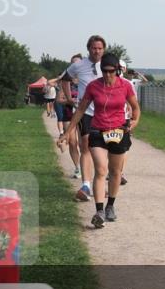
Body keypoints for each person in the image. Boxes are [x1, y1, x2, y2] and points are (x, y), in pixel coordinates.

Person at [58, 52, 140, 228]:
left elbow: (135, 108)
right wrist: (67, 132)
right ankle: (99, 211)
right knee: (101, 170)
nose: (108, 75)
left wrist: (134, 121)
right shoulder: (94, 86)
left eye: (111, 71)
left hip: (119, 131)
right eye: (104, 71)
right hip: (97, 131)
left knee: (115, 172)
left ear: (117, 70)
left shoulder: (125, 86)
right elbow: (80, 110)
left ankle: (110, 206)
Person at [60, 36, 106, 201]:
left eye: (100, 48)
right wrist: (69, 97)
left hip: (105, 114)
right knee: (85, 145)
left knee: (102, 149)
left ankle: (99, 183)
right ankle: (86, 184)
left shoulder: (108, 65)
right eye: (94, 48)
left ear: (104, 49)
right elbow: (64, 79)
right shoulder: (78, 65)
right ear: (88, 49)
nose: (97, 51)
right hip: (86, 112)